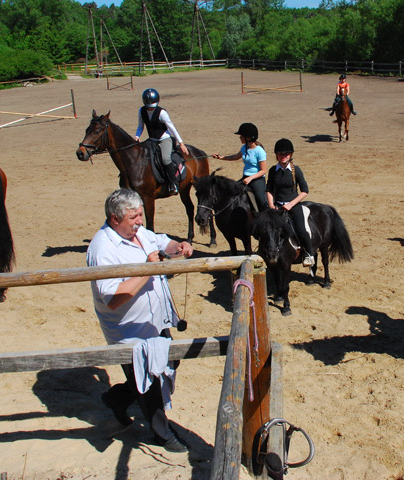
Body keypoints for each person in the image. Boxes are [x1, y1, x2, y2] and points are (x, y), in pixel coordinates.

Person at [86, 188, 194, 453]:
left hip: (155, 320)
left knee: (169, 361)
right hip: (129, 330)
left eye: (140, 215)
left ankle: (117, 398)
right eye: (133, 217)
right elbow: (114, 297)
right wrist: (148, 268)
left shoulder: (137, 233)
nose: (139, 221)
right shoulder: (102, 249)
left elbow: (159, 241)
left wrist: (177, 246)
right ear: (114, 218)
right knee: (149, 385)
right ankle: (163, 434)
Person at [265, 138, 315, 267]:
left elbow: (305, 191)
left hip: (293, 204)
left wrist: (291, 204)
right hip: (277, 206)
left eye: (286, 154)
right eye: (281, 154)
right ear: (276, 155)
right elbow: (269, 190)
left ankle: (309, 254)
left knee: (301, 229)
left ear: (290, 155)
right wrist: (271, 205)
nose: (283, 156)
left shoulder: (296, 170)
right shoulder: (272, 171)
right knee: (265, 227)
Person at [134, 88, 189, 195]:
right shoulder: (141, 111)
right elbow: (140, 126)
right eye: (148, 107)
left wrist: (181, 142)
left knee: (165, 159)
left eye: (152, 107)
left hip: (164, 139)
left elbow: (171, 127)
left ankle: (173, 184)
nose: (150, 109)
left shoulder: (162, 113)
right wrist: (137, 136)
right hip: (151, 140)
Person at [212, 122, 269, 212]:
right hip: (245, 178)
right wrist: (221, 157)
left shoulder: (259, 151)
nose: (240, 138)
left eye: (241, 136)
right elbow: (235, 157)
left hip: (257, 179)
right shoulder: (244, 148)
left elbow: (263, 170)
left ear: (248, 137)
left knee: (261, 201)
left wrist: (250, 178)